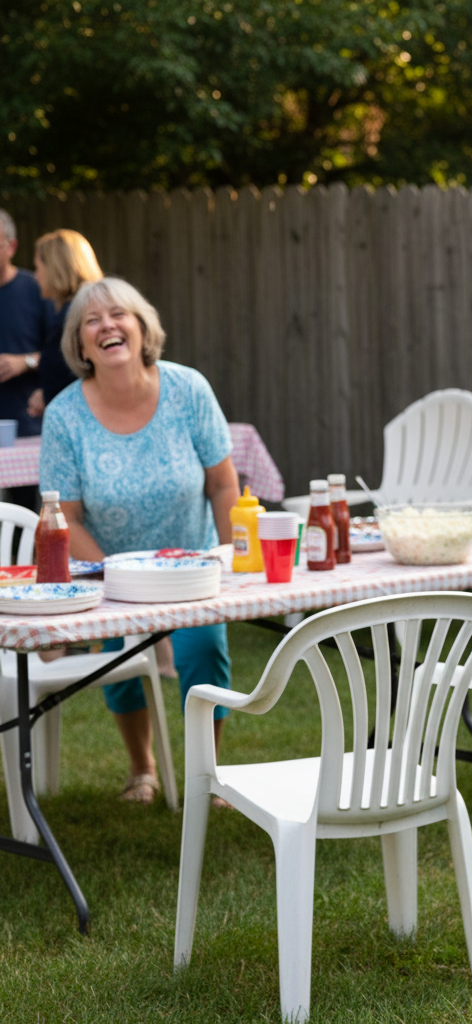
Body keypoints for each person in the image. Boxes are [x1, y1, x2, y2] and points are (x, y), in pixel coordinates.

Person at [40, 277, 240, 804]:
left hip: (194, 571)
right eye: (92, 320)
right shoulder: (64, 415)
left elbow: (222, 483)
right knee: (117, 659)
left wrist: (231, 557)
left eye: (119, 314)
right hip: (111, 574)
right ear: (81, 345)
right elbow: (68, 517)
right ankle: (142, 768)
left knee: (204, 651)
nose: (107, 325)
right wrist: (118, 578)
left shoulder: (188, 389)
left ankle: (208, 774)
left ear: (142, 326)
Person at [0, 209, 48, 509]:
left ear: (11, 246)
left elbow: (66, 353)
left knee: (25, 512)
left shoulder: (35, 288)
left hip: (26, 421)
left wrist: (25, 362)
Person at [29, 229, 103, 417]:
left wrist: (47, 396)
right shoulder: (76, 310)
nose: (35, 276)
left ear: (55, 267)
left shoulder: (78, 316)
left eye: (38, 268)